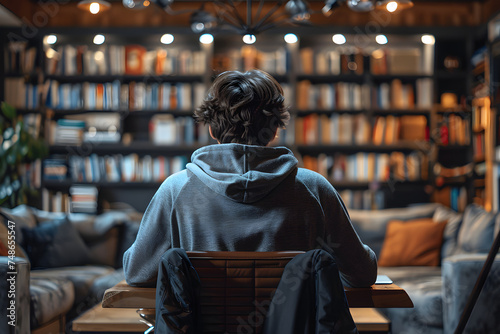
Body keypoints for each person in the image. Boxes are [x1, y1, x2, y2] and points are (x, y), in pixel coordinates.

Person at [123, 69, 377, 289]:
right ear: (275, 129)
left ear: (211, 129)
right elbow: (362, 274)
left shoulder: (176, 190)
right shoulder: (314, 188)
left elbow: (137, 273)